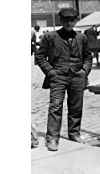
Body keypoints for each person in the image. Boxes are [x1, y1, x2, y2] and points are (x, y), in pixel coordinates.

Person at [35, 8, 93, 151]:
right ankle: (52, 138)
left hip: (77, 75)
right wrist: (50, 72)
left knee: (76, 106)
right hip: (58, 76)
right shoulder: (50, 36)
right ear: (61, 20)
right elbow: (40, 56)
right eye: (66, 20)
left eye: (71, 20)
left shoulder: (81, 37)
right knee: (55, 106)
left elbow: (88, 56)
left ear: (76, 21)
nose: (68, 23)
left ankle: (74, 133)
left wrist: (84, 71)